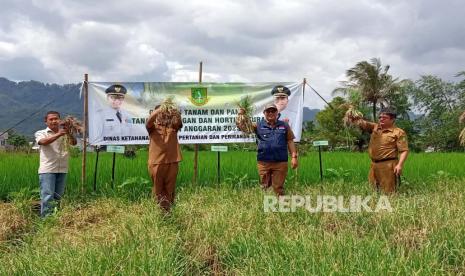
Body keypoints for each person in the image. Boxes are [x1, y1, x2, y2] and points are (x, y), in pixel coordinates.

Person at [237, 103, 298, 196]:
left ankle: (280, 205)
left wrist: (294, 157)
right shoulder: (258, 125)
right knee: (265, 186)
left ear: (277, 112)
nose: (270, 113)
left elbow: (290, 141)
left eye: (273, 111)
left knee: (278, 186)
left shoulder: (284, 125)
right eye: (268, 111)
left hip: (280, 162)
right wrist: (241, 115)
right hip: (264, 162)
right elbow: (244, 128)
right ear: (264, 113)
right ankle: (267, 206)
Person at [348, 108, 409, 193]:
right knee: (373, 190)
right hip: (374, 165)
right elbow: (362, 123)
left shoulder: (398, 132)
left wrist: (400, 165)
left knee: (389, 192)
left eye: (384, 117)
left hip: (388, 165)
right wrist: (353, 116)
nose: (381, 119)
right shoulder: (375, 127)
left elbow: (404, 150)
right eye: (380, 117)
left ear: (392, 119)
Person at [35, 111, 77, 217]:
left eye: (56, 119)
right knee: (48, 196)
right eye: (51, 119)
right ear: (46, 121)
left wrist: (69, 132)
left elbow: (74, 143)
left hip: (62, 169)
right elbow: (43, 142)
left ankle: (56, 218)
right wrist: (59, 134)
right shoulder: (41, 133)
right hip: (48, 170)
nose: (54, 121)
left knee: (58, 196)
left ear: (60, 120)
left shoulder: (64, 133)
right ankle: (46, 220)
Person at [146, 105, 183, 211]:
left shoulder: (173, 127)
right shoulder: (152, 127)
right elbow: (149, 121)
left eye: (165, 114)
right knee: (158, 188)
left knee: (170, 188)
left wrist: (174, 111)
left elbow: (178, 123)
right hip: (156, 162)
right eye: (162, 114)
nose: (164, 115)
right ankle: (160, 211)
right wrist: (159, 109)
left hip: (172, 161)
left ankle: (168, 210)